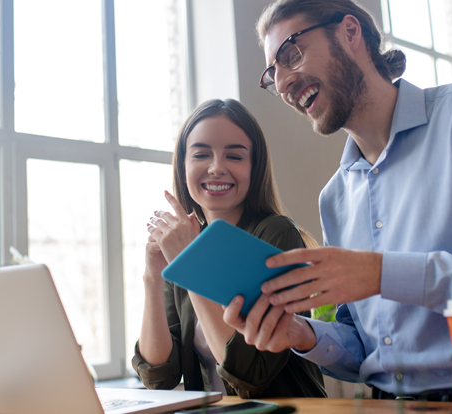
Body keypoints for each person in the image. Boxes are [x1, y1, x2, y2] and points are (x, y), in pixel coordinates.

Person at [221, 0, 452, 403]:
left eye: (292, 54)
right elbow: (368, 345)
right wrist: (303, 334)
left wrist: (385, 273)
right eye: (274, 74)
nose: (285, 82)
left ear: (349, 32)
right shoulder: (336, 198)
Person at [131, 99, 327, 399]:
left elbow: (251, 377)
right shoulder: (184, 245)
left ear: (254, 167)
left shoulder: (276, 234)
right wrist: (152, 277)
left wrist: (191, 264)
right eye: (200, 154)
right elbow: (159, 376)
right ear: (184, 167)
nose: (216, 168)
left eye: (234, 156)